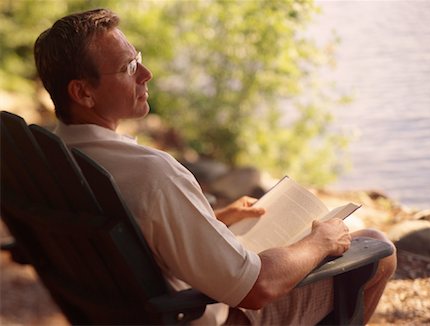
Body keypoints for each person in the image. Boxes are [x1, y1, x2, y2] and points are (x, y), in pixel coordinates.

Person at [34, 8, 396, 325]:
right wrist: (320, 242)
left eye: (138, 57)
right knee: (377, 250)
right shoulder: (152, 175)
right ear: (83, 93)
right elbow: (256, 288)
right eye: (128, 67)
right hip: (198, 316)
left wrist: (212, 219)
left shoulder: (51, 156)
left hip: (126, 310)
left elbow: (134, 236)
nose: (146, 73)